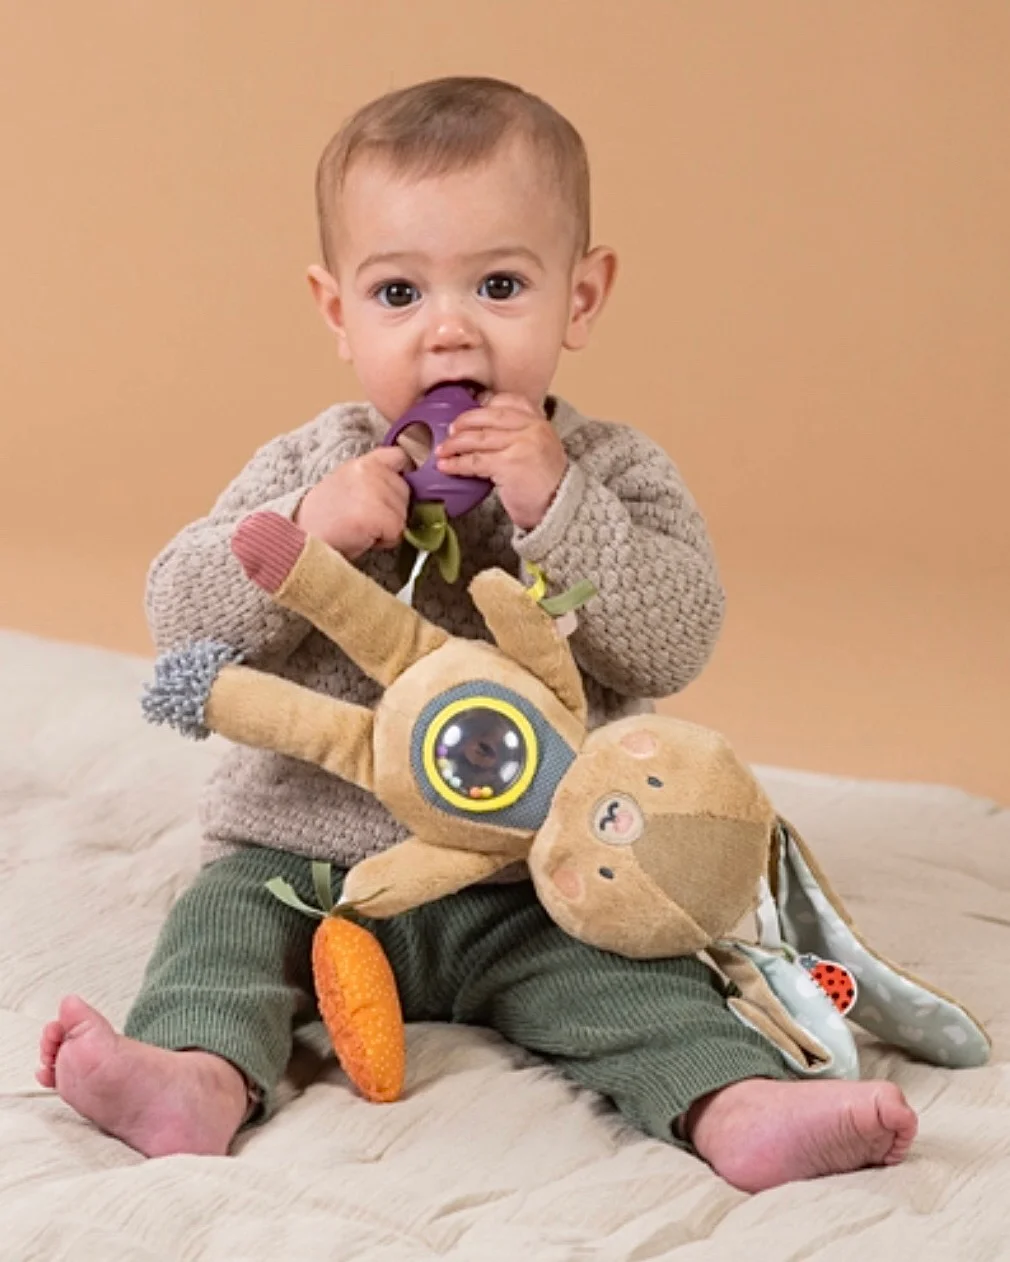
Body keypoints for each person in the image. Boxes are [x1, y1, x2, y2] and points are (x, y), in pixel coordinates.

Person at [36, 76, 916, 1193]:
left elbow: (676, 639)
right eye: (397, 291)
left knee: (641, 979)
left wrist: (561, 512)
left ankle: (731, 1102)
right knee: (220, 935)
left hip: (538, 875)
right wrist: (306, 531)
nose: (447, 328)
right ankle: (195, 1075)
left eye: (499, 285)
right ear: (336, 311)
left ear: (580, 298)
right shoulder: (312, 465)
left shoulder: (611, 472)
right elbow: (178, 614)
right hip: (312, 871)